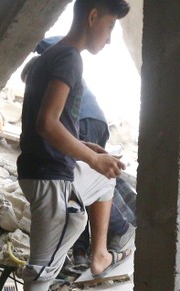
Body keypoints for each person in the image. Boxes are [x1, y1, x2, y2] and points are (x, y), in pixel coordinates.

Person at [16, 0, 131, 291]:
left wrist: (90, 150)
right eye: (110, 27)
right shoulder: (69, 59)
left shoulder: (53, 55)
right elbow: (47, 125)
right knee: (40, 273)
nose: (110, 39)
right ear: (93, 15)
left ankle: (99, 255)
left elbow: (51, 122)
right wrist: (90, 158)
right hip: (49, 178)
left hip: (50, 170)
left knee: (106, 179)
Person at [31, 36, 137, 268]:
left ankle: (118, 229)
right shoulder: (58, 56)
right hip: (90, 120)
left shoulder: (55, 52)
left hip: (81, 121)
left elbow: (48, 123)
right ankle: (83, 251)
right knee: (84, 180)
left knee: (81, 181)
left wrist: (90, 155)